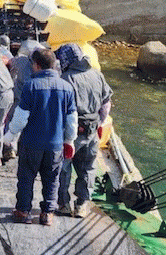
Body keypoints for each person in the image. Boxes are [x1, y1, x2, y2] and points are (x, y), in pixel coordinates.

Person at [4, 49, 77, 226]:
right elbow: (71, 119)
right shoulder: (67, 87)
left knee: (26, 178)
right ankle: (47, 214)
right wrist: (69, 141)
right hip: (55, 145)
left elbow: (21, 117)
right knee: (52, 180)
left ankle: (23, 211)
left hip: (31, 143)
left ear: (36, 65)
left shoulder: (31, 86)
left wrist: (10, 135)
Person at [55, 43, 113, 218]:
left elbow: (59, 110)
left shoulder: (65, 79)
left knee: (63, 168)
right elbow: (106, 104)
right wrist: (98, 123)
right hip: (92, 131)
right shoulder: (97, 74)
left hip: (70, 133)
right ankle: (82, 205)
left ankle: (63, 204)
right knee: (87, 168)